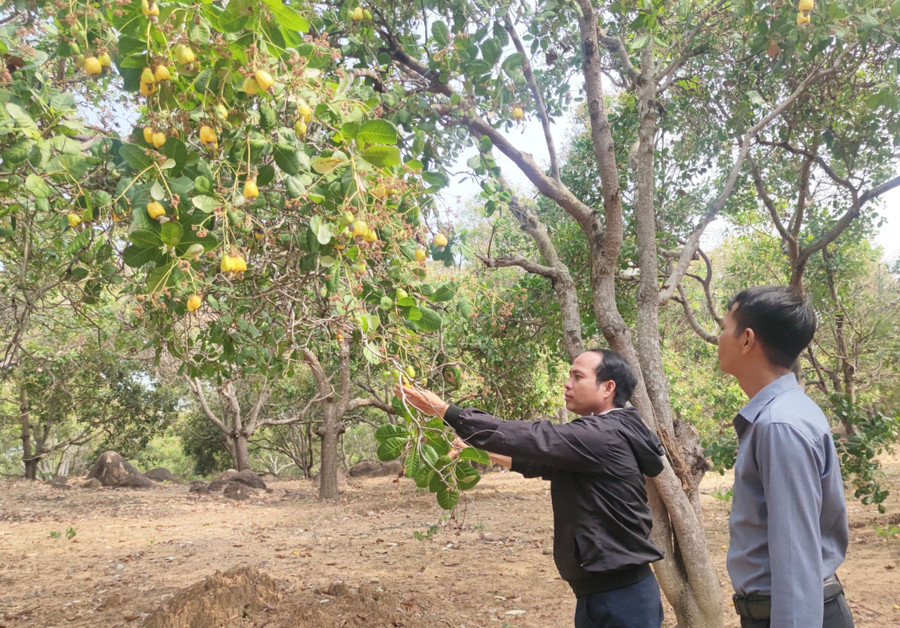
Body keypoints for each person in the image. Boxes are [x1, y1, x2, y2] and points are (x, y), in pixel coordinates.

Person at [395, 349, 666, 628]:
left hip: (621, 599)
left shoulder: (604, 435)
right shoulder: (605, 433)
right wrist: (480, 450)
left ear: (609, 388)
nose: (567, 383)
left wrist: (446, 412)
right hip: (605, 592)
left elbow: (536, 437)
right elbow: (540, 463)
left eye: (578, 376)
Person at [719, 286, 853, 628]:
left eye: (724, 329)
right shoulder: (783, 413)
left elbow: (795, 558)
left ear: (746, 339)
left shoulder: (780, 425)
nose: (719, 339)